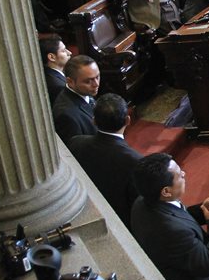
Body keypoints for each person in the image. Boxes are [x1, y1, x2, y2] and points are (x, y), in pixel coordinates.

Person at [67, 93, 142, 227]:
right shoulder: (135, 161)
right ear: (127, 120)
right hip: (122, 222)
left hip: (87, 211)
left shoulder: (76, 143)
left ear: (94, 121)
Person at [52, 55, 100, 143]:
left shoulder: (84, 91)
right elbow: (77, 148)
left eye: (97, 77)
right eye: (88, 81)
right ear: (70, 82)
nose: (96, 84)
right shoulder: (66, 116)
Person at [39, 34, 71, 103]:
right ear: (51, 57)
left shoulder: (49, 74)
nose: (69, 53)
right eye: (63, 51)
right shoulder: (58, 86)